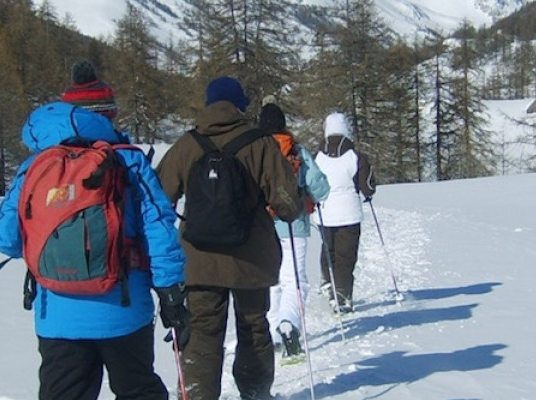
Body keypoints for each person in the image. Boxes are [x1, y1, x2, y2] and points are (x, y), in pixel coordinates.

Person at [0, 99, 189, 399]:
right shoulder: (129, 162)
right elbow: (158, 228)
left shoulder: (34, 168)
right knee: (137, 391)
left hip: (57, 315)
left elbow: (6, 239)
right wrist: (170, 291)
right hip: (124, 309)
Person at [154, 76, 302, 400]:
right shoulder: (261, 143)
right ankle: (256, 392)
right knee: (253, 328)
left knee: (202, 334)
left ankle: (197, 394)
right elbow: (288, 204)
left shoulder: (187, 144)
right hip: (251, 260)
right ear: (240, 107)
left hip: (198, 260)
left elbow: (157, 198)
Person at [259, 101, 329, 358]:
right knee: (295, 281)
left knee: (271, 281)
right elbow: (320, 187)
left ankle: (269, 332)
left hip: (263, 226)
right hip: (294, 225)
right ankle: (288, 324)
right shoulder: (296, 150)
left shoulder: (254, 150)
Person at [313, 112, 375, 314]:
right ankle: (343, 295)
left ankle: (327, 281)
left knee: (328, 249)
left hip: (325, 212)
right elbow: (367, 186)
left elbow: (311, 182)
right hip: (349, 213)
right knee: (345, 255)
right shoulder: (355, 156)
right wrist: (368, 192)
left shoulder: (317, 157)